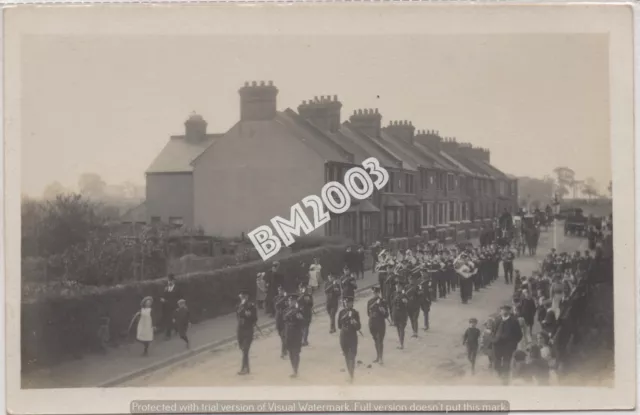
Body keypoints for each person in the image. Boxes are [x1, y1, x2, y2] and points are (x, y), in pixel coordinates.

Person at [491, 305, 523, 384]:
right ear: (500, 311)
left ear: (509, 311)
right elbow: (493, 331)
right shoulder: (497, 320)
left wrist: (513, 343)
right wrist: (494, 340)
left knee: (506, 362)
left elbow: (519, 334)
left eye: (506, 310)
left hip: (508, 346)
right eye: (502, 310)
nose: (504, 312)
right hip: (497, 345)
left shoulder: (513, 321)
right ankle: (500, 373)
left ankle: (505, 380)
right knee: (496, 364)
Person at [338, 296, 361, 383]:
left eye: (350, 303)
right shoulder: (341, 313)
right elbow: (339, 326)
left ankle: (352, 375)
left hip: (352, 336)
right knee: (347, 356)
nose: (348, 304)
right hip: (344, 337)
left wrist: (355, 323)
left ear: (352, 304)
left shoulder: (355, 313)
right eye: (346, 303)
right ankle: (350, 373)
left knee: (352, 356)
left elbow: (359, 326)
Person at [236, 290, 257, 375]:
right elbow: (238, 313)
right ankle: (247, 368)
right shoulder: (239, 306)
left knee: (245, 349)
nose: (243, 297)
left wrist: (250, 315)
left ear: (247, 297)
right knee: (242, 348)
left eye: (244, 296)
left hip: (248, 329)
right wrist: (242, 306)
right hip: (240, 329)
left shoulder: (251, 306)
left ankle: (244, 368)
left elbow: (255, 318)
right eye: (241, 296)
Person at [283, 294, 305, 378]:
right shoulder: (286, 310)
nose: (291, 302)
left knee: (296, 352)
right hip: (288, 334)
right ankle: (293, 368)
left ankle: (295, 370)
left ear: (295, 302)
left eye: (292, 301)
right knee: (291, 353)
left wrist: (300, 317)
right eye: (290, 301)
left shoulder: (299, 311)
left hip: (296, 334)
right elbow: (284, 320)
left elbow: (302, 322)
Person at [367, 286, 389, 365]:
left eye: (376, 293)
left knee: (380, 341)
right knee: (376, 341)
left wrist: (383, 311)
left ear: (378, 293)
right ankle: (377, 356)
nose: (375, 294)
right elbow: (368, 313)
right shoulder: (370, 302)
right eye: (373, 293)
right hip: (372, 323)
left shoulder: (383, 302)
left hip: (380, 323)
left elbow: (386, 315)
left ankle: (380, 358)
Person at [161, 274, 181, 339]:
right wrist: (162, 299)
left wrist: (179, 306)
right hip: (167, 307)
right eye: (168, 280)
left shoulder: (177, 289)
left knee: (173, 320)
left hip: (174, 306)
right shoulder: (166, 288)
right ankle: (168, 334)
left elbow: (179, 298)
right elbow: (164, 296)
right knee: (168, 320)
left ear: (173, 281)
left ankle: (175, 329)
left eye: (171, 280)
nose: (169, 282)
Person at [391, 281, 409, 349]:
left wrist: (405, 301)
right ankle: (401, 342)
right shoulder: (393, 294)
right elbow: (391, 303)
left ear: (402, 288)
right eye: (396, 287)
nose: (397, 288)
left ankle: (402, 344)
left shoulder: (404, 295)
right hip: (396, 314)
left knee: (401, 328)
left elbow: (407, 303)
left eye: (399, 287)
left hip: (402, 314)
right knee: (398, 328)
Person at [274, 286, 289, 359]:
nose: (280, 292)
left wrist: (286, 298)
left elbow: (288, 307)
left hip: (284, 320)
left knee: (284, 336)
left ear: (284, 291)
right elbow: (276, 306)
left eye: (281, 290)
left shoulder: (287, 299)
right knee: (281, 336)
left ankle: (283, 352)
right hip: (278, 319)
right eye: (279, 290)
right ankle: (286, 348)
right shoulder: (276, 298)